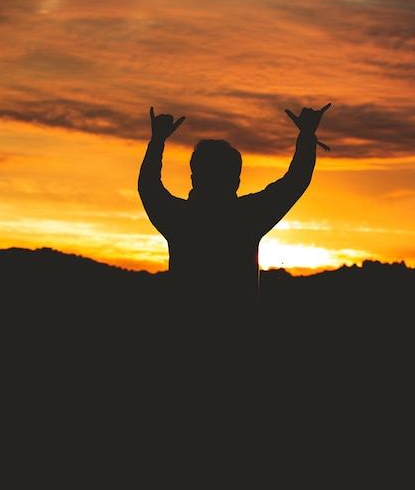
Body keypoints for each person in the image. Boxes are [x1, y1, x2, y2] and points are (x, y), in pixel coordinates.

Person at [138, 103, 331, 341]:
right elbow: (296, 180)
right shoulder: (247, 217)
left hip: (184, 338)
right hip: (239, 340)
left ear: (194, 177)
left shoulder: (179, 218)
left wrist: (157, 141)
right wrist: (307, 136)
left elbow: (148, 186)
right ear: (236, 180)